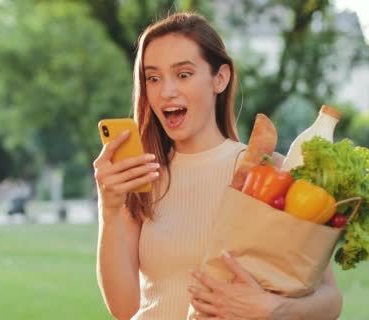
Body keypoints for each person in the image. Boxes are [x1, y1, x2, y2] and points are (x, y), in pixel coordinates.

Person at [93, 12, 342, 320]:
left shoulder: (270, 172)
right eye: (153, 78)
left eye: (183, 74)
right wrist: (109, 208)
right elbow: (124, 308)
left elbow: (330, 300)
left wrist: (276, 309)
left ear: (220, 78)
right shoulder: (140, 177)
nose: (165, 91)